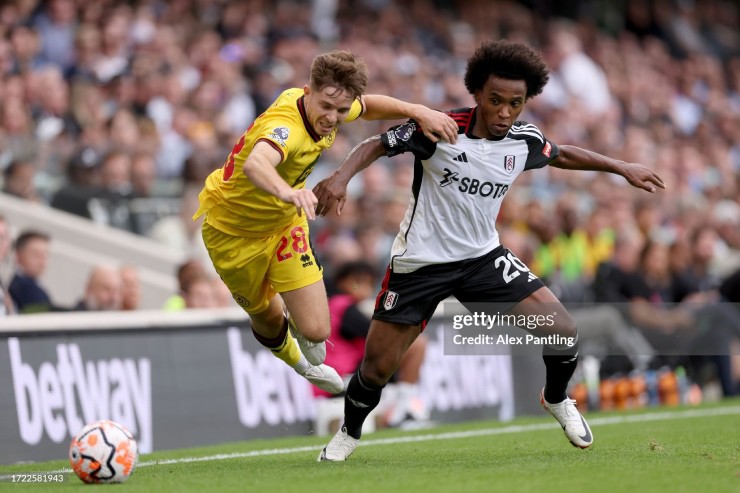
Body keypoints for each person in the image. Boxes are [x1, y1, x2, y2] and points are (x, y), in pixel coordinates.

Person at [313, 40, 665, 461]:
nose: (504, 112)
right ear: (478, 93)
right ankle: (349, 432)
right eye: (495, 100)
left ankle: (556, 398)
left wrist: (622, 168)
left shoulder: (524, 141)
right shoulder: (440, 129)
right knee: (376, 370)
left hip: (482, 259)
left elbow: (563, 154)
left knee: (563, 330)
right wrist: (340, 178)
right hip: (421, 263)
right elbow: (375, 144)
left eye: (515, 103)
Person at [192, 50, 458, 395]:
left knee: (318, 331)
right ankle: (299, 364)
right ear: (307, 92)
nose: (333, 118)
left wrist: (417, 110)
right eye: (327, 108)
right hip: (232, 235)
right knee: (268, 319)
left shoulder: (331, 103)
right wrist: (288, 192)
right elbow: (256, 164)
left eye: (342, 111)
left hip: (284, 225)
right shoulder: (284, 127)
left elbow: (370, 106)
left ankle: (300, 322)